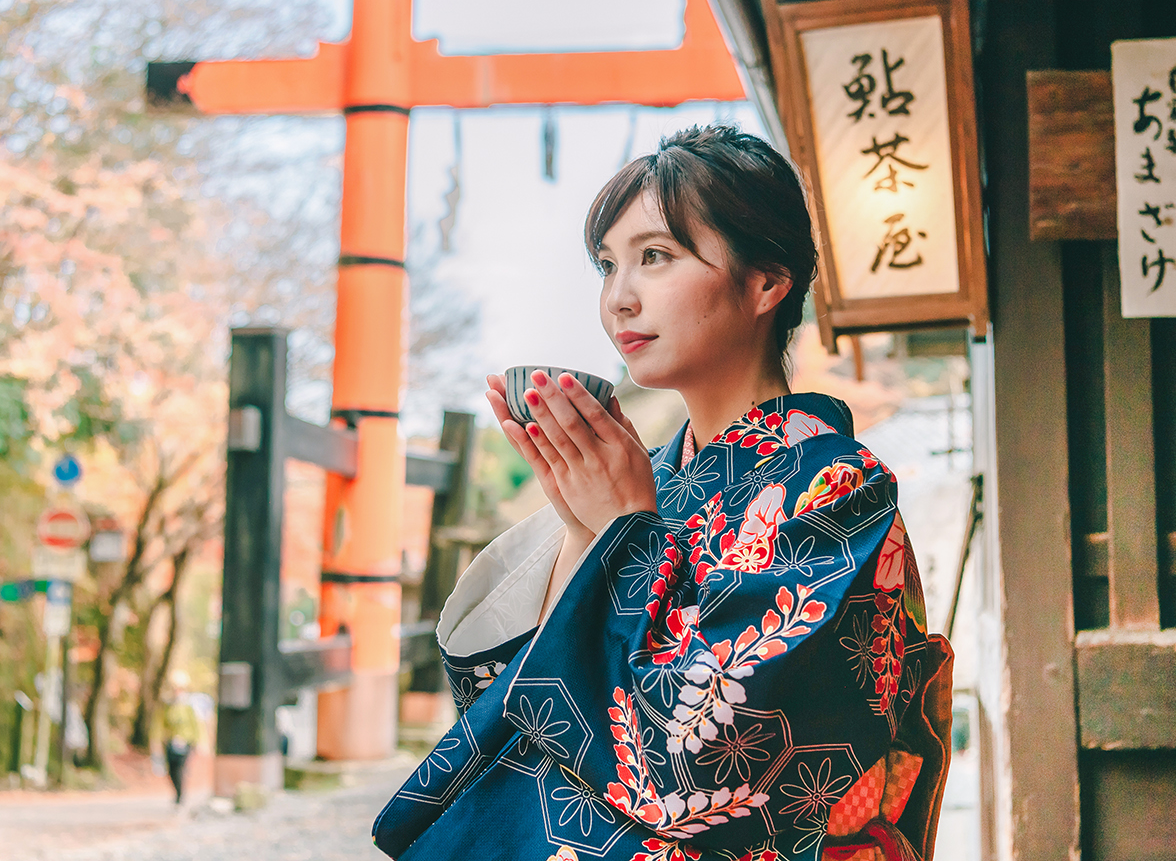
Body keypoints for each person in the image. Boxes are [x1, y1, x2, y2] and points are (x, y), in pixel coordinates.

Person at [374, 126, 951, 861]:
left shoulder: (835, 485)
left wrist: (621, 533)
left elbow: (694, 767)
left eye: (656, 257)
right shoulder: (653, 476)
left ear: (765, 284)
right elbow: (523, 708)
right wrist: (585, 533)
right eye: (608, 265)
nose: (619, 297)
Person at [159, 671, 201, 806]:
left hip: (185, 742)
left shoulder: (189, 706)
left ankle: (180, 795)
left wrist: (196, 742)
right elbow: (161, 724)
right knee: (171, 769)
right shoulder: (168, 705)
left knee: (180, 769)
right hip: (171, 742)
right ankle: (177, 792)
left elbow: (196, 725)